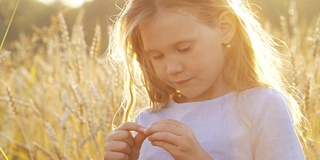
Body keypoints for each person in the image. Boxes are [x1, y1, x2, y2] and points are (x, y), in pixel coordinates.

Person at [104, 0, 306, 159]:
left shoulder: (260, 106)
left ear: (224, 28)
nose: (173, 68)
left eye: (184, 48)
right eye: (157, 56)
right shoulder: (147, 121)